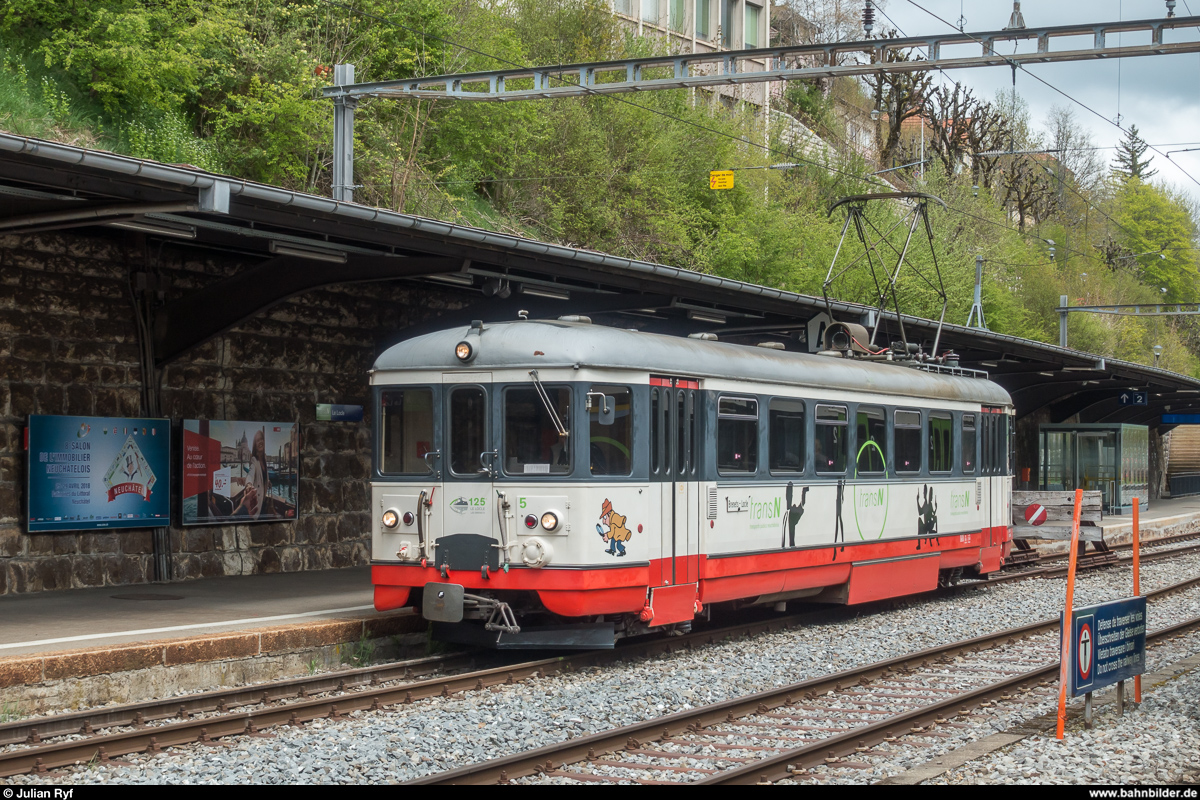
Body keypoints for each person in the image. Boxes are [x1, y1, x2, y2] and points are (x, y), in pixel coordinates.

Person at [232, 429, 270, 519]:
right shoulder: (254, 460)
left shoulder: (264, 460)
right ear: (255, 444)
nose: (260, 442)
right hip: (256, 504)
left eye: (262, 439)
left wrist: (267, 481)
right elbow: (250, 474)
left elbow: (263, 477)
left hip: (263, 501)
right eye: (258, 440)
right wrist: (249, 484)